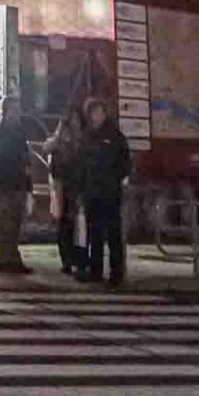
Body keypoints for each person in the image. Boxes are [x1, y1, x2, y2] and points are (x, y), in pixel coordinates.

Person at [75, 99, 131, 285]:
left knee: (113, 234)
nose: (96, 116)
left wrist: (113, 180)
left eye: (98, 112)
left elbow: (125, 164)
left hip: (109, 192)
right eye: (92, 113)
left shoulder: (114, 136)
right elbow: (81, 165)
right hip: (92, 193)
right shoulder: (87, 136)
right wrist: (82, 189)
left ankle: (117, 273)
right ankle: (96, 270)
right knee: (95, 235)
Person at [0, 109, 40, 273]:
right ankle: (4, 258)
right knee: (5, 223)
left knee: (15, 224)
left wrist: (27, 184)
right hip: (6, 185)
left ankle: (12, 258)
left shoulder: (18, 134)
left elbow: (25, 160)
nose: (15, 116)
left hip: (18, 185)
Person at [49, 114, 87, 274]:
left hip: (77, 188)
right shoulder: (58, 145)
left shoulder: (82, 143)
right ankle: (68, 260)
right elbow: (51, 156)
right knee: (64, 227)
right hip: (62, 189)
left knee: (78, 228)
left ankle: (79, 261)